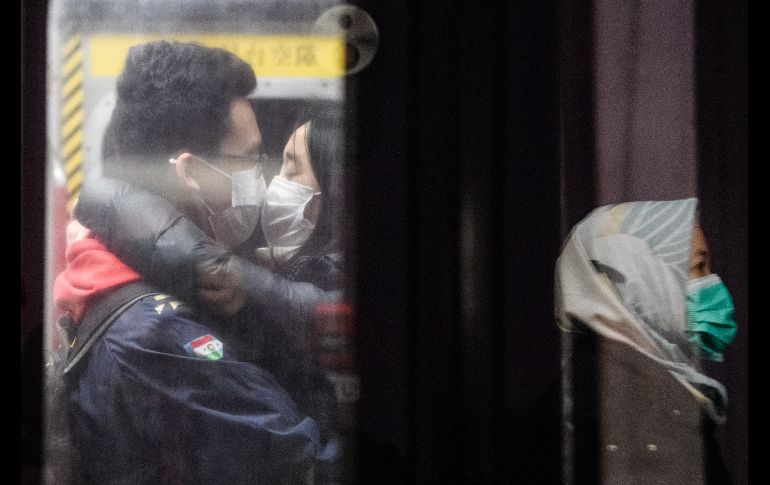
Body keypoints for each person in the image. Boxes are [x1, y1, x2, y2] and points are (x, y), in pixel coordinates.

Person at [50, 40, 332, 484]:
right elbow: (302, 465)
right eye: (250, 160)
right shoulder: (159, 335)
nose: (262, 177)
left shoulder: (125, 278)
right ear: (191, 172)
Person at [555, 198, 736, 484]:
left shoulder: (619, 386)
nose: (714, 282)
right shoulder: (624, 408)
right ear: (641, 279)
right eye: (699, 267)